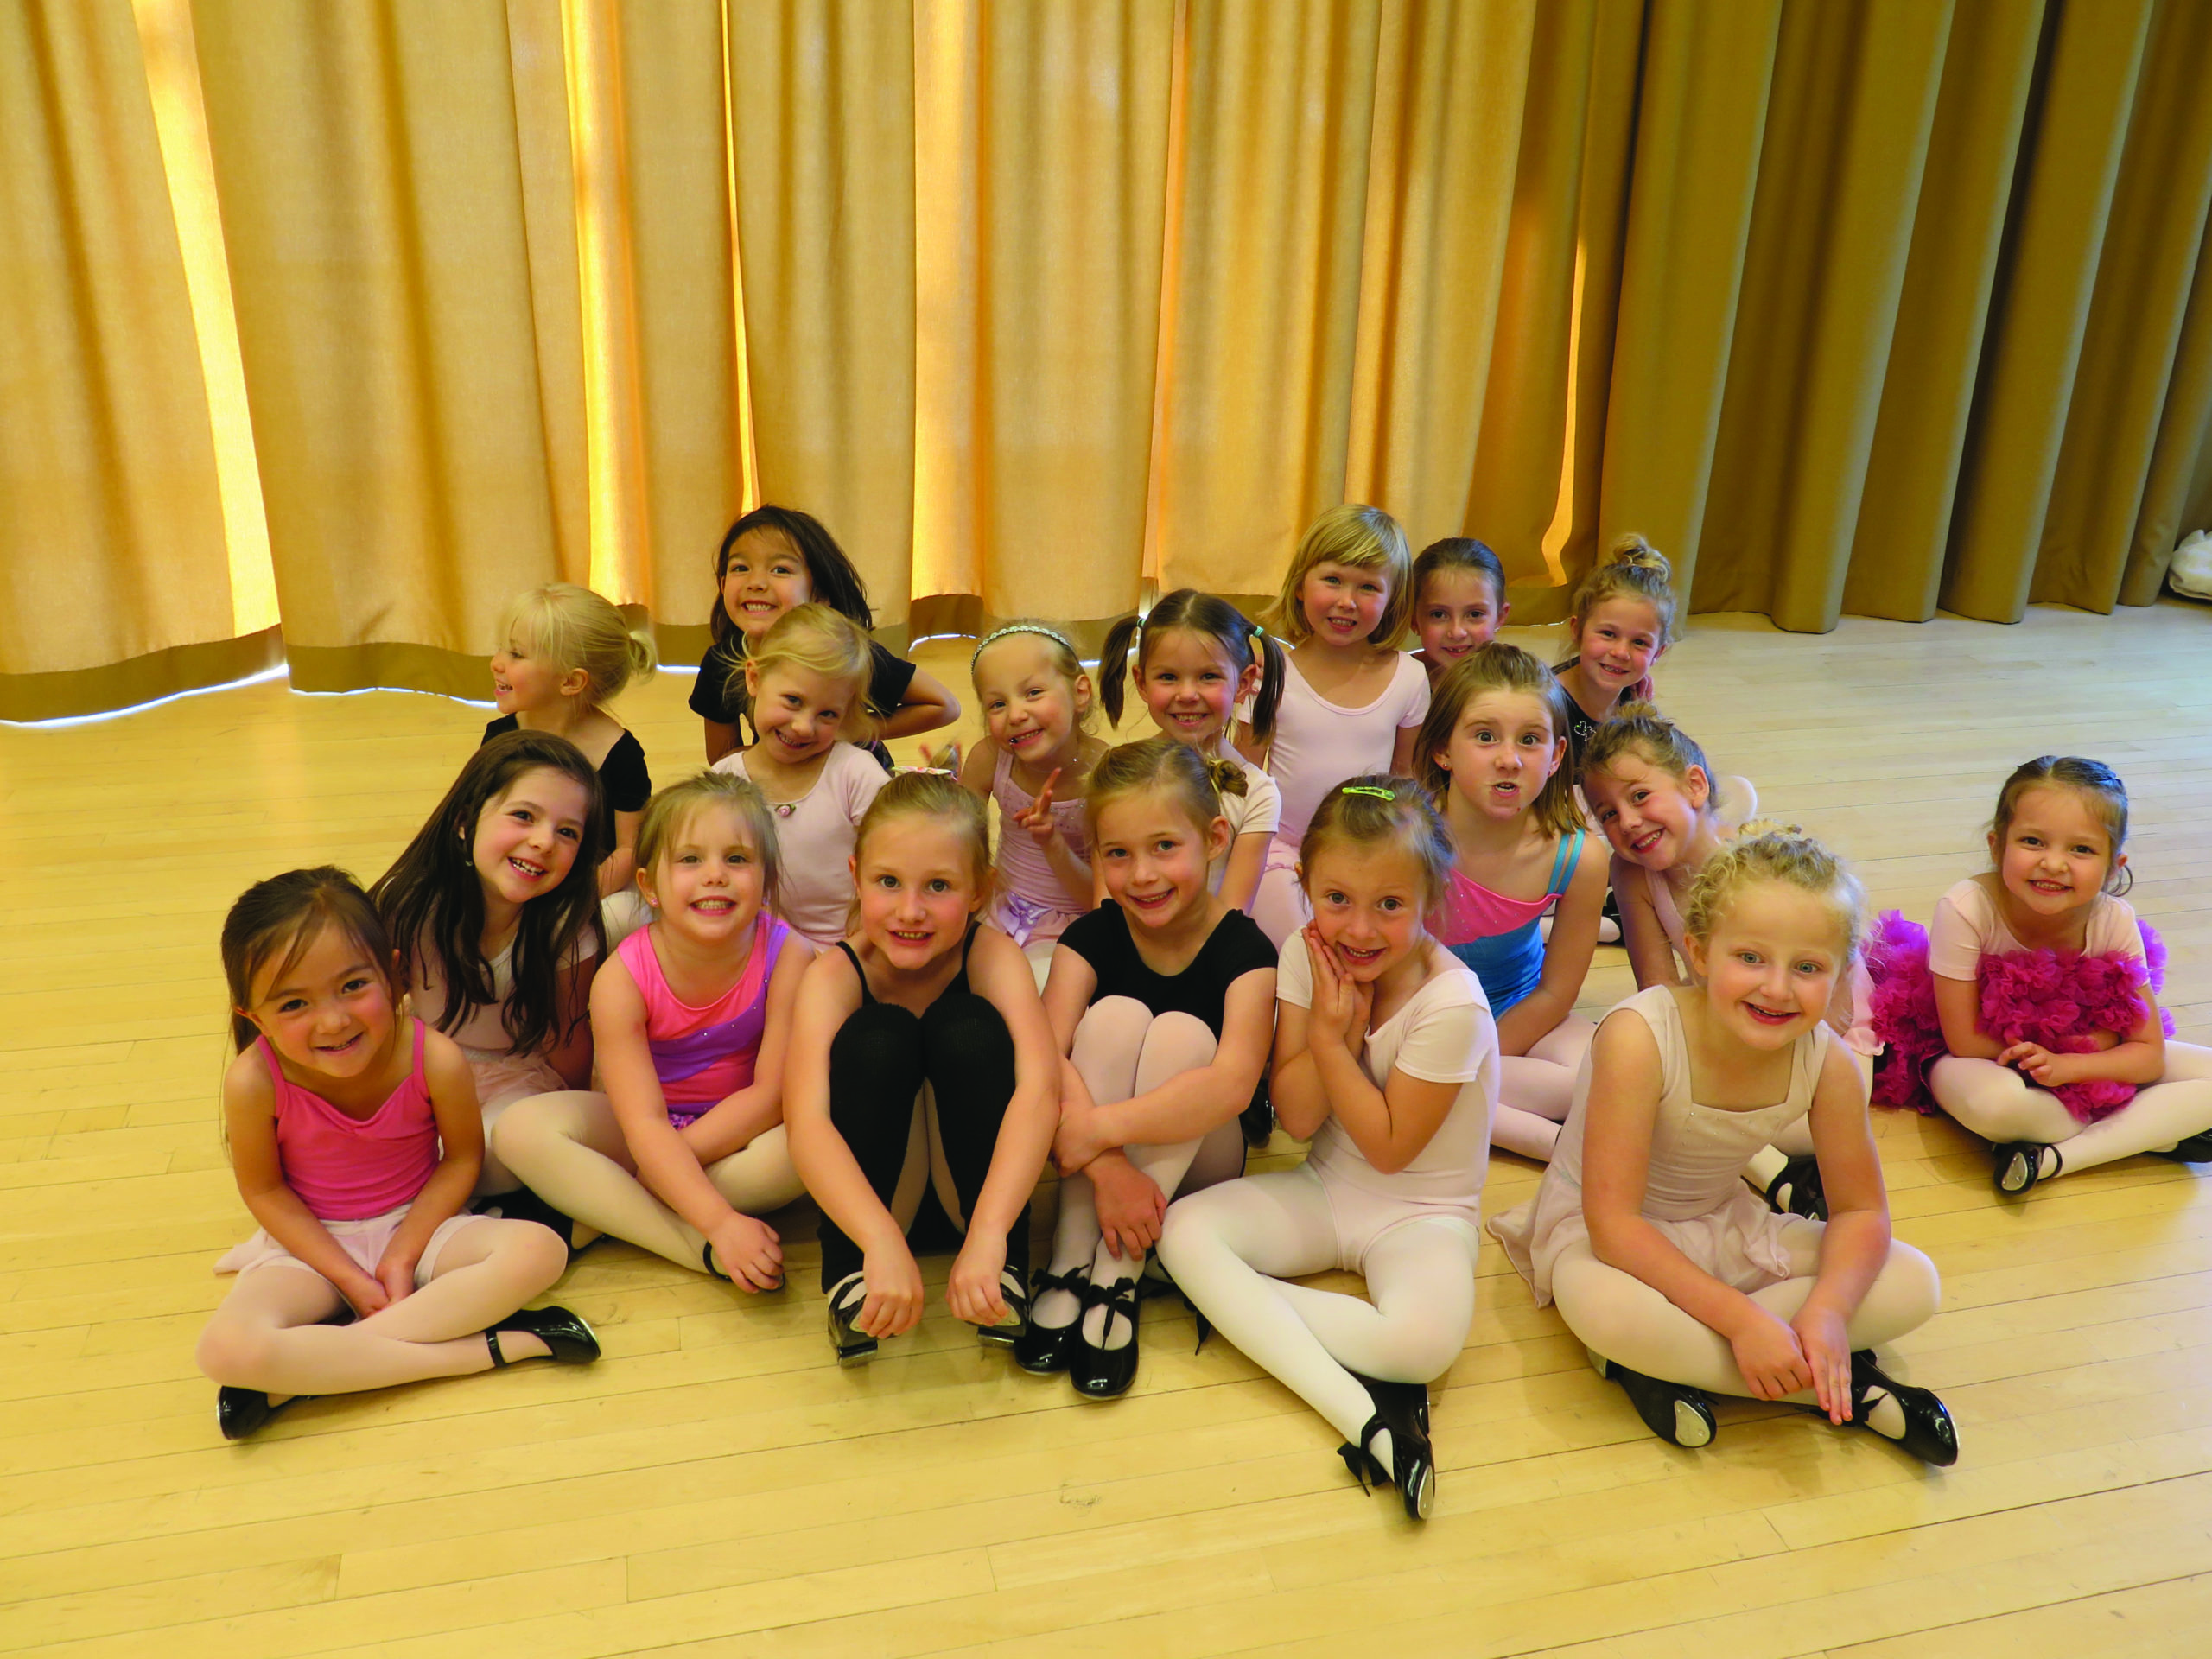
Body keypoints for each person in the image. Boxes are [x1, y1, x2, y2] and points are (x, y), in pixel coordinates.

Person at [1491, 830, 1955, 1465]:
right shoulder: (1639, 1036)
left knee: (1915, 1282)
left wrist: (1826, 1311)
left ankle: (1673, 1368)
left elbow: (1862, 1214)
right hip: (1609, 1241)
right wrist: (1742, 1321)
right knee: (1607, 1311)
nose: (1777, 988)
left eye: (1808, 968)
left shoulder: (1828, 1063)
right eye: (1751, 958)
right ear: (1700, 952)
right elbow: (1614, 1225)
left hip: (1722, 1223)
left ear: (1843, 973)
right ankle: (1849, 1392)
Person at [1159, 778, 1496, 1521]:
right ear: (1305, 885)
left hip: (1421, 1211)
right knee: (1184, 1228)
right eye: (1337, 899)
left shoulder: (1454, 1004)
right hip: (1326, 1187)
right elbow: (1303, 1120)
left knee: (1420, 1347)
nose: (1360, 930)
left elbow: (1388, 1148)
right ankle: (1366, 1417)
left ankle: (1241, 1310)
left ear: (1430, 899)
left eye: (1391, 906)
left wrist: (1326, 1040)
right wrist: (1329, 1033)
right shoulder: (1301, 953)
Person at [197, 869, 595, 1441]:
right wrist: (348, 1278)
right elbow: (265, 1191)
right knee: (222, 1349)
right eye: (293, 1004)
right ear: (251, 1015)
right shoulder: (252, 1081)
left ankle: (313, 1372)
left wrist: (403, 1254)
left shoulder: (435, 1057)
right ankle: (490, 1350)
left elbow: (461, 1161)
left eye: (353, 986)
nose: (333, 1020)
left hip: (420, 1227)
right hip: (312, 1247)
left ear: (395, 973)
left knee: (539, 1250)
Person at [1020, 739, 1277, 1397]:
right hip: (1096, 1161)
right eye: (1118, 854)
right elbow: (1043, 1054)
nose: (1142, 875)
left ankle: (1118, 1273)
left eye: (1165, 847)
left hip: (1199, 1165)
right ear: (1096, 855)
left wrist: (1098, 1131)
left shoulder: (1246, 949)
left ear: (1215, 838)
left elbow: (1233, 1084)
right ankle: (1072, 1252)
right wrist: (1109, 1167)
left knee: (1182, 1034)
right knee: (1111, 1020)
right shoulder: (1092, 937)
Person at [783, 772, 1060, 1363]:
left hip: (978, 1208)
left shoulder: (993, 956)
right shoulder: (832, 976)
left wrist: (989, 1235)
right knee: (881, 1036)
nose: (911, 911)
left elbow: (1039, 1093)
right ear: (856, 875)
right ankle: (852, 1273)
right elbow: (806, 1124)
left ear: (980, 890)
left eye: (938, 886)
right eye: (888, 882)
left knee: (966, 1028)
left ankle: (1002, 1265)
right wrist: (879, 1239)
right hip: (880, 1211)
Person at [492, 772, 813, 1282]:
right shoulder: (622, 977)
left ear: (767, 879)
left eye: (737, 858)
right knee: (519, 1130)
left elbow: (773, 1094)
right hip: (644, 1131)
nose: (715, 875)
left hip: (742, 1134)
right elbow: (642, 1122)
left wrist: (669, 1168)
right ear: (649, 886)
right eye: (690, 859)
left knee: (804, 1151)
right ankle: (692, 1243)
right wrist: (721, 1222)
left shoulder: (790, 954)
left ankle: (605, 1210)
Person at [1910, 758, 2212, 1192]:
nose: (2053, 864)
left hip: (2076, 1064)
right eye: (2033, 841)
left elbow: (2149, 1054)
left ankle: (2052, 1160)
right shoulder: (1966, 907)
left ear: (2113, 866)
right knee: (1999, 1108)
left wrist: (2069, 1066)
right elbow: (1965, 1040)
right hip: (1984, 1060)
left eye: (2082, 849)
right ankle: (2147, 1129)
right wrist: (2088, 1051)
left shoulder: (2113, 920)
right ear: (1997, 846)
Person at [371, 730, 606, 1197]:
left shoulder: (566, 925)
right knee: (392, 1156)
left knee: (494, 1155)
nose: (543, 842)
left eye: (567, 832)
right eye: (523, 816)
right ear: (464, 822)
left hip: (517, 1079)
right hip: (429, 1068)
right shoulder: (411, 903)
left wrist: (579, 1118)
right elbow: (373, 1009)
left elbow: (569, 1042)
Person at [1417, 645, 1605, 1160]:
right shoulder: (1404, 839)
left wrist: (1481, 1054)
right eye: (1484, 737)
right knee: (1397, 1066)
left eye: (1530, 740)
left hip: (1518, 1005)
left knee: (1604, 1073)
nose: (1509, 758)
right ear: (1442, 750)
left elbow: (1555, 993)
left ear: (1557, 757)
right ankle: (1563, 1150)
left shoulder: (1579, 857)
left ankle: (1447, 1101)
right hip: (1417, 1012)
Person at [1237, 505, 1430, 946]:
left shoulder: (1408, 676)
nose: (1347, 601)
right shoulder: (1270, 672)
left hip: (1369, 853)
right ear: (1302, 585)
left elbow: (1406, 777)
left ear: (1392, 598)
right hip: (1280, 854)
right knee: (1307, 946)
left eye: (1368, 587)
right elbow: (1243, 778)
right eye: (1333, 580)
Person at [693, 505, 958, 766]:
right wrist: (771, 757)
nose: (756, 582)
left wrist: (854, 731)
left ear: (819, 594)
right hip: (778, 785)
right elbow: (721, 758)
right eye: (740, 568)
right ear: (723, 583)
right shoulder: (722, 663)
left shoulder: (844, 656)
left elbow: (943, 706)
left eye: (780, 570)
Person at [1096, 588, 1287, 912]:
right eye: (1168, 677)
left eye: (1208, 676)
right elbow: (1106, 906)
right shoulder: (1118, 773)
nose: (1187, 694)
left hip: (1213, 955)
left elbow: (1232, 914)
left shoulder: (1258, 794)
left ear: (1242, 684)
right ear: (1142, 682)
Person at [709, 604, 887, 946]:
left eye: (828, 714)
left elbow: (899, 855)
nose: (804, 726)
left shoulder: (855, 773)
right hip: (752, 944)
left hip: (848, 945)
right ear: (754, 678)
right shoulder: (725, 780)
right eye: (793, 700)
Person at [957, 621, 1107, 979]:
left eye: (1033, 693)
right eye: (997, 703)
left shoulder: (1106, 777)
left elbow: (1099, 899)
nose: (1016, 714)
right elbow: (958, 845)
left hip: (1071, 926)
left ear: (1080, 691)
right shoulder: (990, 757)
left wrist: (1053, 843)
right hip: (996, 907)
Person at [483, 582, 653, 895]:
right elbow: (478, 821)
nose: (497, 662)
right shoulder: (500, 737)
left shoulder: (621, 755)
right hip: (519, 875)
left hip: (590, 891)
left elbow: (629, 850)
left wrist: (576, 906)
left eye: (516, 654)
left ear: (571, 681)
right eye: (502, 648)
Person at [1409, 537, 1508, 684]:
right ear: (1414, 621)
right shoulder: (1397, 681)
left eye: (1475, 614)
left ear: (1500, 616)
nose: (1457, 633)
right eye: (1439, 614)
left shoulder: (1520, 687)